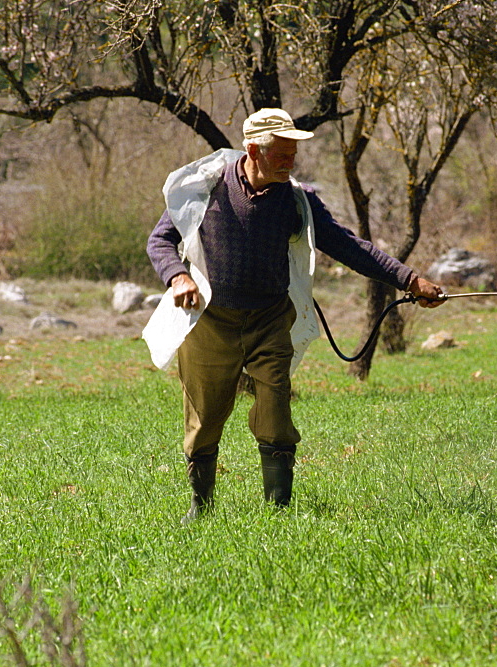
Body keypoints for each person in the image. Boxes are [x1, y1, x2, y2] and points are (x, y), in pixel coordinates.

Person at [144, 108, 445, 522]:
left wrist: (408, 279)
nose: (291, 161)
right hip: (211, 320)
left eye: (293, 152)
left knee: (276, 413)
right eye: (282, 153)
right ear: (253, 150)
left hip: (270, 319)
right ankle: (202, 505)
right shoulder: (206, 188)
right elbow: (160, 240)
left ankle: (279, 510)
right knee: (206, 416)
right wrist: (178, 276)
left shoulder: (297, 200)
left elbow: (346, 245)